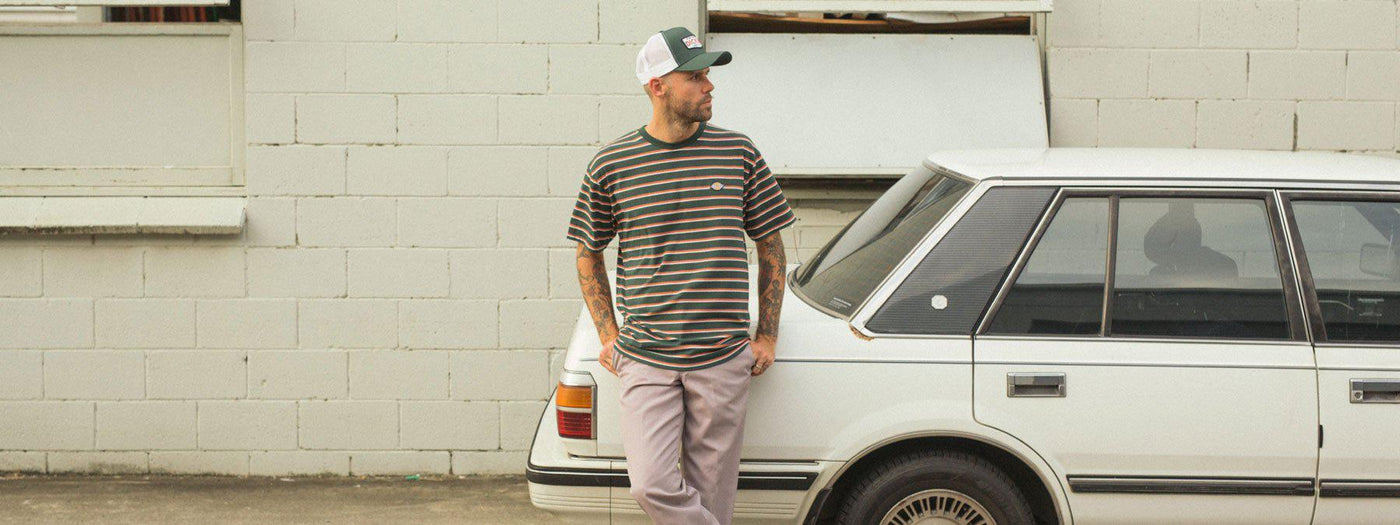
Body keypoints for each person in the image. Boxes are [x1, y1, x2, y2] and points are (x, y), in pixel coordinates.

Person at [565, 26, 796, 525]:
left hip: (722, 358)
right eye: (695, 76)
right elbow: (588, 252)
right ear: (658, 86)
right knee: (650, 484)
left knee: (713, 502)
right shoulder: (612, 163)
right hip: (646, 357)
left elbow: (771, 245)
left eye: (708, 74)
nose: (709, 85)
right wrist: (609, 335)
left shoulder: (738, 152)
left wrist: (767, 335)